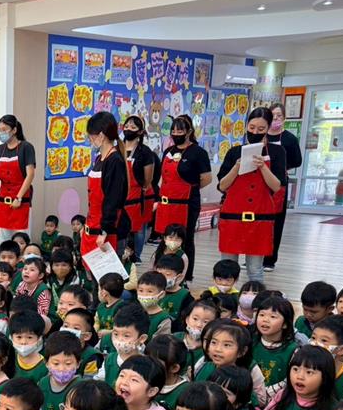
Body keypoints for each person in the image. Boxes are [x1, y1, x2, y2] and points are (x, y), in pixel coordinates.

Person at [216, 107, 288, 284]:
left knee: (255, 269)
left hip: (260, 218)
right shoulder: (234, 152)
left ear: (268, 128)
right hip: (232, 217)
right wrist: (236, 167)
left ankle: (256, 299)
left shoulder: (277, 152)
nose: (255, 132)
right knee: (227, 267)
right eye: (252, 127)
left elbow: (276, 186)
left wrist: (263, 167)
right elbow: (222, 186)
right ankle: (226, 298)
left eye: (261, 129)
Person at [154, 114, 212, 283]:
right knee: (165, 239)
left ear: (189, 132)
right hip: (166, 202)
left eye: (180, 131)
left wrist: (187, 190)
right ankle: (160, 272)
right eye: (173, 131)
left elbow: (206, 178)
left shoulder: (198, 152)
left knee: (185, 239)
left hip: (186, 203)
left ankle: (185, 277)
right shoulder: (168, 152)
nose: (176, 134)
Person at [82, 110, 129, 259]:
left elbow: (112, 199)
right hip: (93, 225)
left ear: (101, 136)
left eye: (91, 135)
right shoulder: (99, 159)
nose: (89, 139)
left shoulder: (114, 161)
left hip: (107, 231)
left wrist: (104, 231)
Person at [263, 101, 302, 271]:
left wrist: (281, 166)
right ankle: (253, 256)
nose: (276, 119)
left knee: (275, 223)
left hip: (278, 185)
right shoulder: (261, 135)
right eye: (273, 116)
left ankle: (270, 259)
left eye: (279, 116)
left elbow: (297, 161)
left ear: (284, 118)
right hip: (260, 182)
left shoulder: (289, 139)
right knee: (258, 222)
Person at [0, 114, 36, 238]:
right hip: (3, 200)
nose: (1, 133)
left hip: (21, 199)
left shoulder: (26, 147)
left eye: (4, 130)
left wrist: (18, 198)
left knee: (21, 237)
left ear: (14, 130)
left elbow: (30, 175)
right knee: (4, 238)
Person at [122, 115, 156, 261]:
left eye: (133, 127)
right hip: (121, 196)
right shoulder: (117, 148)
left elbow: (148, 179)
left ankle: (136, 256)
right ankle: (123, 255)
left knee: (138, 229)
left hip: (139, 196)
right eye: (126, 126)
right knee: (121, 228)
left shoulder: (145, 152)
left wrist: (140, 189)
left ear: (140, 132)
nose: (128, 129)